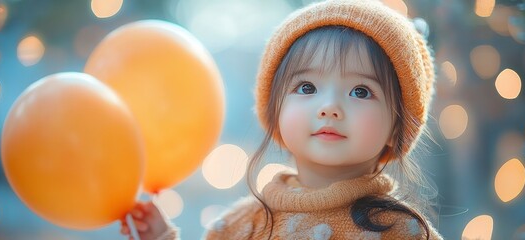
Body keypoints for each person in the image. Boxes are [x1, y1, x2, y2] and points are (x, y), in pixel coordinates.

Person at [120, 0, 443, 239]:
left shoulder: (402, 231)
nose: (329, 107)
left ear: (398, 126)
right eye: (307, 87)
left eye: (360, 91)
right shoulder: (241, 225)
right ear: (275, 111)